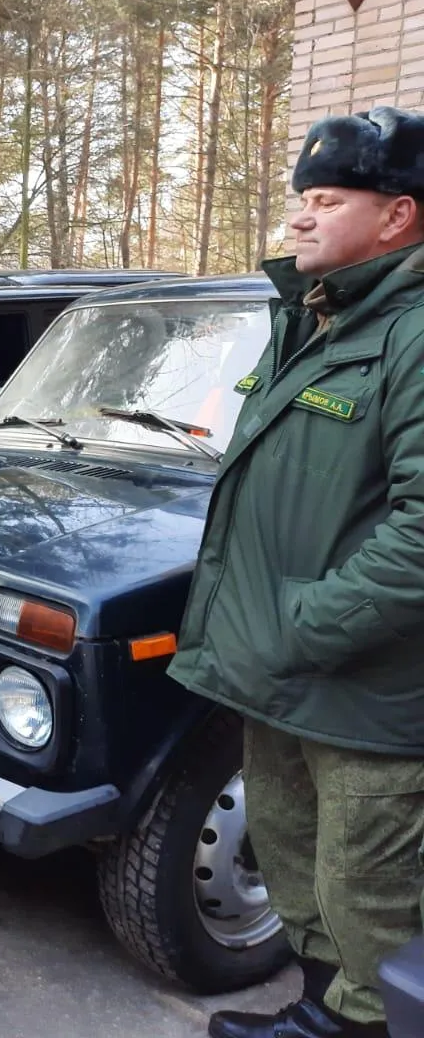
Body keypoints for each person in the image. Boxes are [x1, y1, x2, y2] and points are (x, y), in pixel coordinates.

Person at [170, 106, 424, 1038]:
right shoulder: (313, 319)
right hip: (285, 674)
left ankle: (366, 1026)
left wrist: (303, 624)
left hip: (366, 687)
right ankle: (322, 1015)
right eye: (299, 201)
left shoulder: (413, 333)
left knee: (370, 891)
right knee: (298, 862)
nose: (300, 218)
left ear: (397, 216)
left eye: (326, 200)